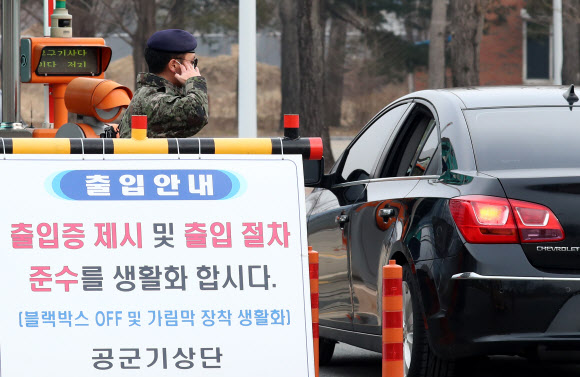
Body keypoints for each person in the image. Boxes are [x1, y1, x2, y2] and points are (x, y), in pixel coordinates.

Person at [118, 29, 209, 138]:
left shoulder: (156, 94)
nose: (195, 68)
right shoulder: (152, 100)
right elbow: (197, 113)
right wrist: (194, 81)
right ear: (174, 65)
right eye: (192, 62)